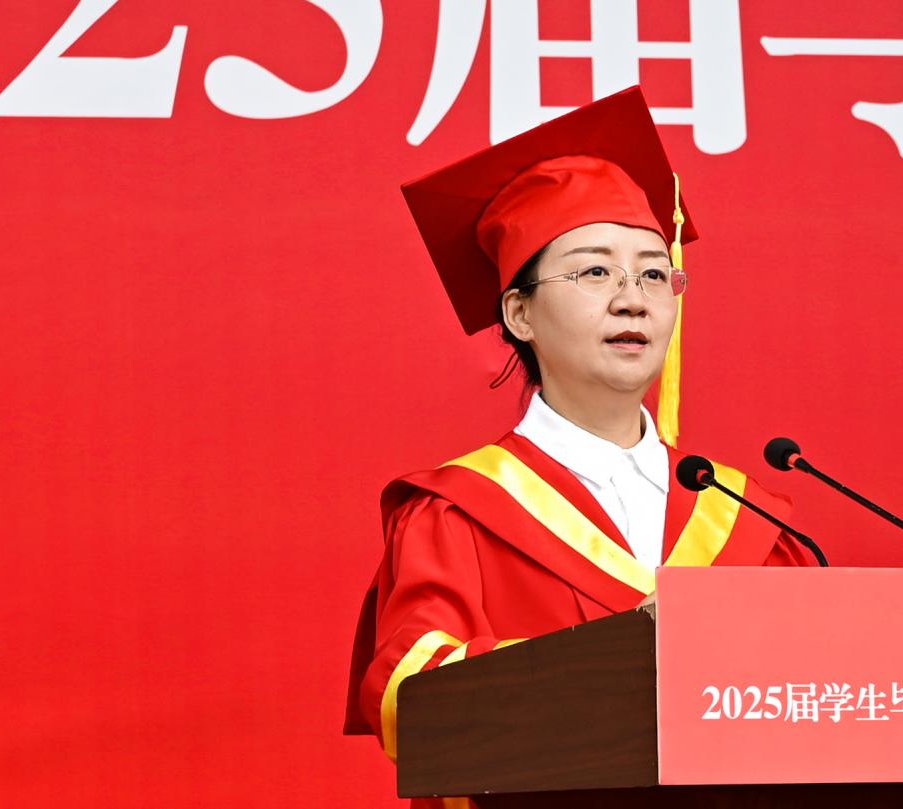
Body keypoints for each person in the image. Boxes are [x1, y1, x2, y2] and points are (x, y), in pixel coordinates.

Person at [344, 87, 818, 805]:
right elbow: (415, 701)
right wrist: (618, 663)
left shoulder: (749, 519)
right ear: (520, 312)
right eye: (595, 271)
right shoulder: (456, 512)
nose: (633, 298)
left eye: (654, 273)